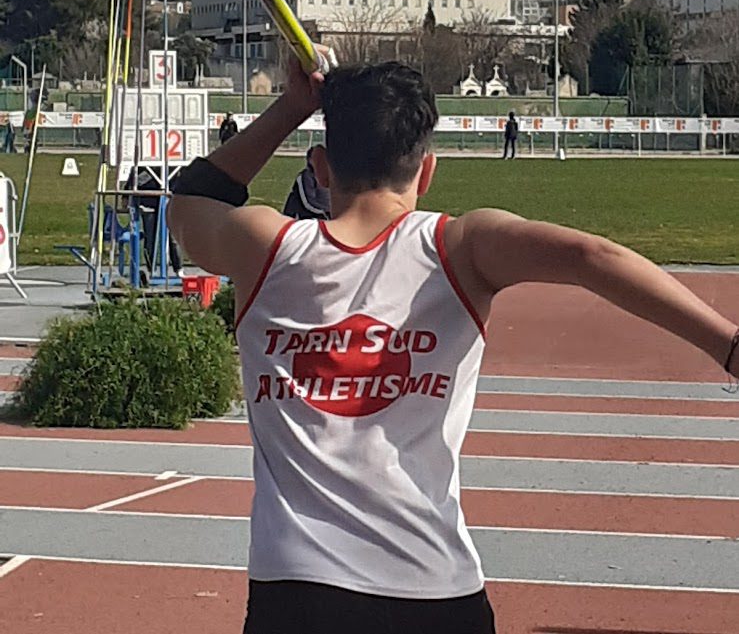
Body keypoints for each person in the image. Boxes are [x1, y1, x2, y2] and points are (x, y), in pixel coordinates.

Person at [168, 55, 739, 634]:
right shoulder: (461, 249)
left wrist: (292, 107)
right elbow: (593, 257)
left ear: (318, 168)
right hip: (437, 593)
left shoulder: (264, 245)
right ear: (427, 170)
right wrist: (729, 346)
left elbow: (190, 197)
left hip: (299, 594)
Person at [124, 164, 183, 278]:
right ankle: (152, 268)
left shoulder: (173, 165)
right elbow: (134, 180)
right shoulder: (142, 165)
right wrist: (126, 195)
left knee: (173, 238)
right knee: (150, 238)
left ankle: (178, 267)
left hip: (168, 205)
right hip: (148, 204)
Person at [282, 146, 331, 220]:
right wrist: (324, 213)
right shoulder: (306, 176)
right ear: (310, 160)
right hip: (306, 219)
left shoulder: (330, 176)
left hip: (325, 216)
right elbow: (307, 202)